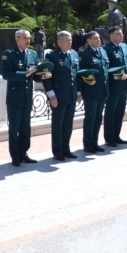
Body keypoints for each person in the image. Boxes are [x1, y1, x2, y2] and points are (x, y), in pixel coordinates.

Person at [1, 29, 46, 167]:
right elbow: (6, 74)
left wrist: (43, 75)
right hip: (15, 97)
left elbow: (35, 73)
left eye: (29, 38)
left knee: (26, 127)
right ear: (17, 39)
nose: (28, 40)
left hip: (27, 96)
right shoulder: (9, 54)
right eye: (25, 38)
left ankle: (24, 153)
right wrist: (24, 74)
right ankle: (15, 156)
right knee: (14, 128)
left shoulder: (32, 54)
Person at [42, 31, 81, 161]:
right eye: (67, 40)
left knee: (68, 124)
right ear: (59, 42)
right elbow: (46, 78)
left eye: (71, 40)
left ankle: (66, 148)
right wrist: (51, 95)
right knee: (58, 125)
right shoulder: (52, 56)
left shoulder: (74, 54)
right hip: (58, 96)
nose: (70, 42)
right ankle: (57, 151)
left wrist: (79, 92)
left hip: (71, 95)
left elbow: (76, 75)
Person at [79, 31, 109, 153]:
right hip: (90, 91)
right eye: (95, 38)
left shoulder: (103, 51)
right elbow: (80, 73)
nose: (98, 40)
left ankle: (95, 142)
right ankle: (88, 144)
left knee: (98, 118)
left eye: (99, 38)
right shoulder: (84, 54)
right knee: (90, 118)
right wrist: (80, 91)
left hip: (102, 91)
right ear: (88, 41)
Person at [103, 26, 127, 146]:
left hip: (123, 85)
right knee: (111, 113)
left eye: (122, 33)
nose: (121, 35)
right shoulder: (106, 49)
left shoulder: (125, 47)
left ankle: (116, 135)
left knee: (120, 112)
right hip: (113, 86)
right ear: (111, 36)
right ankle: (109, 138)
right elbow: (106, 69)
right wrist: (115, 77)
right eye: (118, 34)